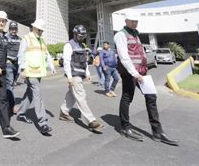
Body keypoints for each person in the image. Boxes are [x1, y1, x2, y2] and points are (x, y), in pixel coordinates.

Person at [114, 9, 178, 146]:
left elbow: (140, 54)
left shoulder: (136, 35)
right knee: (127, 97)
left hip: (141, 72)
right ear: (126, 21)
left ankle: (157, 131)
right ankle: (125, 127)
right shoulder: (121, 35)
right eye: (132, 21)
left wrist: (143, 70)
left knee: (151, 96)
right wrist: (135, 74)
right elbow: (124, 57)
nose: (134, 23)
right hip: (130, 73)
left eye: (136, 21)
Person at [59, 25, 105, 132]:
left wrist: (87, 72)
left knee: (72, 94)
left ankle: (63, 112)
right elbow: (66, 62)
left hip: (80, 74)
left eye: (83, 36)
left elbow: (85, 61)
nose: (81, 38)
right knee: (80, 95)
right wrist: (69, 77)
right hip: (74, 75)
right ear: (74, 34)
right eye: (80, 36)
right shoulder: (69, 45)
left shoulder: (82, 45)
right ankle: (91, 121)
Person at [15, 19, 55, 135]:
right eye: (40, 30)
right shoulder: (26, 38)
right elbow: (21, 55)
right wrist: (22, 69)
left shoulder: (42, 41)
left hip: (38, 72)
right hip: (30, 72)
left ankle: (21, 113)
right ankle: (43, 123)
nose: (41, 32)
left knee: (30, 94)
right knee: (37, 95)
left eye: (42, 30)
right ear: (35, 28)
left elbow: (46, 55)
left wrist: (51, 66)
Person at [5, 21, 21, 112]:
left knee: (12, 84)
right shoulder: (5, 38)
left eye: (15, 29)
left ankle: (7, 100)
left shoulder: (20, 39)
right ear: (9, 29)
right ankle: (12, 106)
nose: (13, 31)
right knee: (10, 83)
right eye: (12, 29)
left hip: (17, 64)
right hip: (9, 64)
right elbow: (3, 50)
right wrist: (6, 60)